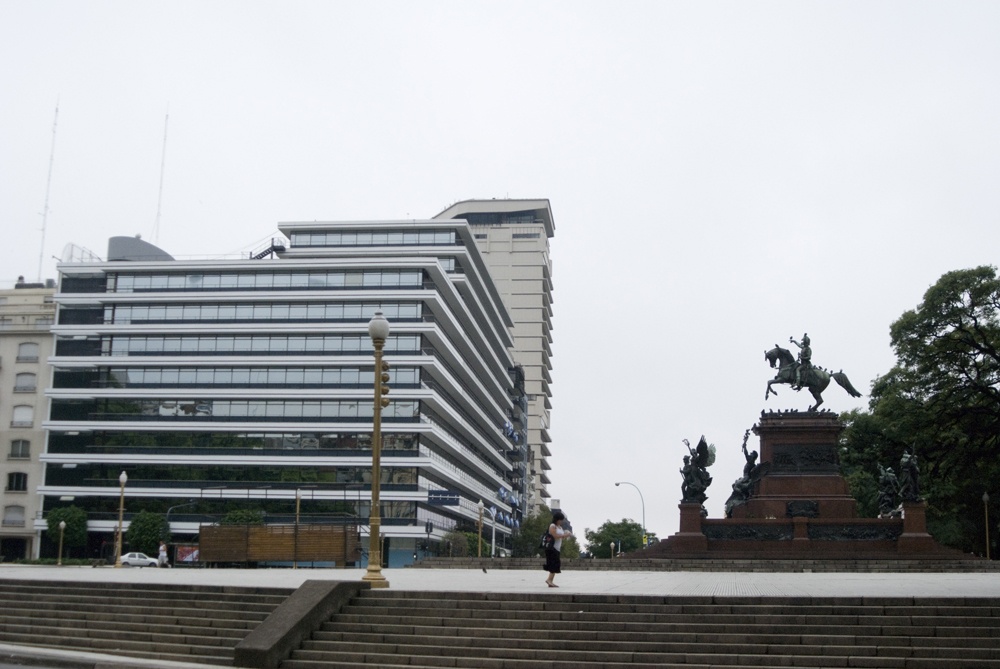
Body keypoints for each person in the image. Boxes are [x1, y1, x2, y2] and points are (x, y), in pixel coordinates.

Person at [544, 511, 572, 588]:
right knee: (553, 564)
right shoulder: (552, 526)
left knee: (556, 564)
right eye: (560, 520)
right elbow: (555, 536)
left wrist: (565, 535)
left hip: (557, 548)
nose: (561, 521)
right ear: (557, 519)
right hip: (551, 548)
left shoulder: (560, 527)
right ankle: (549, 580)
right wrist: (564, 535)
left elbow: (560, 535)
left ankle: (550, 580)